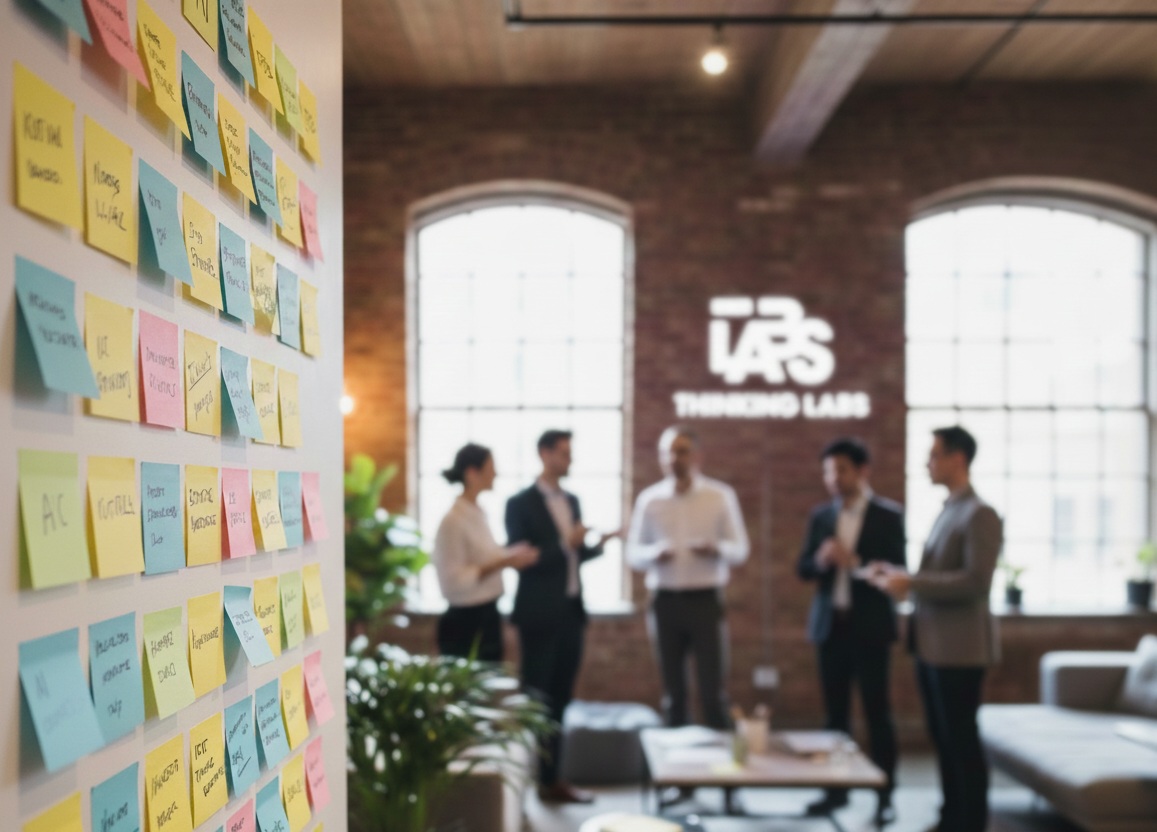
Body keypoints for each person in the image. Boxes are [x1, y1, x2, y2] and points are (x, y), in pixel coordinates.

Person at [871, 426, 1002, 832]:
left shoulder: (980, 513)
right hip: (932, 644)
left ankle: (971, 822)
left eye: (934, 455)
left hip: (960, 648)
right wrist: (902, 576)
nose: (927, 463)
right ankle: (951, 817)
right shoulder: (950, 508)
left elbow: (976, 581)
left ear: (957, 459)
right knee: (943, 738)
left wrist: (912, 583)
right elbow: (939, 573)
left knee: (961, 739)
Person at [797, 438, 905, 827]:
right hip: (831, 627)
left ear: (862, 471)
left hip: (871, 629)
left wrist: (854, 562)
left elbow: (897, 570)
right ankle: (834, 793)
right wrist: (821, 560)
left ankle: (885, 797)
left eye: (840, 469)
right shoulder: (821, 516)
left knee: (878, 715)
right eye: (828, 471)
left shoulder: (888, 515)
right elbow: (803, 569)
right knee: (834, 718)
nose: (833, 478)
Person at [505, 429, 616, 804]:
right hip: (538, 615)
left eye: (571, 453)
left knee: (562, 699)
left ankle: (553, 781)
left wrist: (597, 545)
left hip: (571, 613)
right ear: (544, 454)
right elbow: (524, 561)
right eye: (564, 453)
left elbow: (573, 557)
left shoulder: (573, 500)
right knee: (535, 700)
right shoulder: (518, 503)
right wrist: (564, 543)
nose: (570, 460)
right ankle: (525, 780)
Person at [626, 425, 749, 730]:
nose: (673, 458)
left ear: (697, 456)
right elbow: (633, 554)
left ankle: (723, 774)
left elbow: (740, 549)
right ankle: (679, 776)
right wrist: (654, 553)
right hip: (665, 602)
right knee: (674, 695)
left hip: (705, 601)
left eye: (681, 451)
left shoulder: (719, 496)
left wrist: (715, 549)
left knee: (712, 692)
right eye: (667, 452)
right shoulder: (650, 500)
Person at [431, 443, 539, 662]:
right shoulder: (453, 520)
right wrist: (504, 561)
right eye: (491, 468)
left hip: (488, 614)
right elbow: (452, 582)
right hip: (465, 621)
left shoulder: (478, 513)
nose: (495, 474)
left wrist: (508, 555)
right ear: (472, 473)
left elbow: (483, 557)